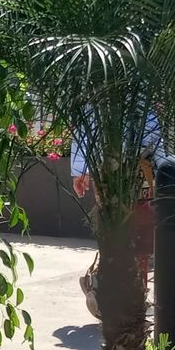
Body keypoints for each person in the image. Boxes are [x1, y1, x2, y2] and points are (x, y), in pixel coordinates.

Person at [71, 117, 159, 319]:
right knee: (116, 234)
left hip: (142, 174)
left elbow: (156, 135)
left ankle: (133, 296)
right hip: (114, 173)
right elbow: (86, 126)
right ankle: (104, 291)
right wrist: (79, 171)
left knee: (141, 239)